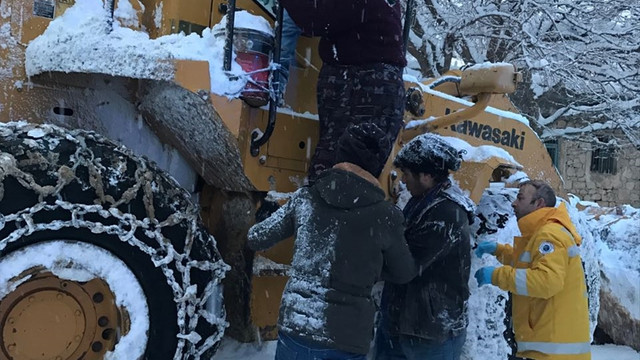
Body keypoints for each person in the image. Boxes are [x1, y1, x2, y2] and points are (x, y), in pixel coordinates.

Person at [248, 123, 416, 360]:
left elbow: (256, 238)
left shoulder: (305, 198)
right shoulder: (386, 217)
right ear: (379, 164)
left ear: (339, 155)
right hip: (345, 337)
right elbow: (404, 272)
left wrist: (272, 211)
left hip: (296, 326)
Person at [280, 0, 407, 181]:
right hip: (364, 81)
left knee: (340, 170)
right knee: (350, 170)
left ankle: (326, 202)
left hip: (362, 83)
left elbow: (317, 19)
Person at [375, 133, 475, 360]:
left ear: (427, 176)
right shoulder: (422, 200)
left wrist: (364, 266)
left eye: (407, 174)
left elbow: (406, 265)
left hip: (430, 332)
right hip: (404, 323)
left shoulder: (445, 213)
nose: (402, 180)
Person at [475, 180, 591, 360]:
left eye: (520, 198)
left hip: (552, 352)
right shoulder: (543, 233)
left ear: (539, 204)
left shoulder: (549, 235)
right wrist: (499, 250)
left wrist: (497, 275)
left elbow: (546, 281)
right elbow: (528, 261)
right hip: (549, 348)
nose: (514, 203)